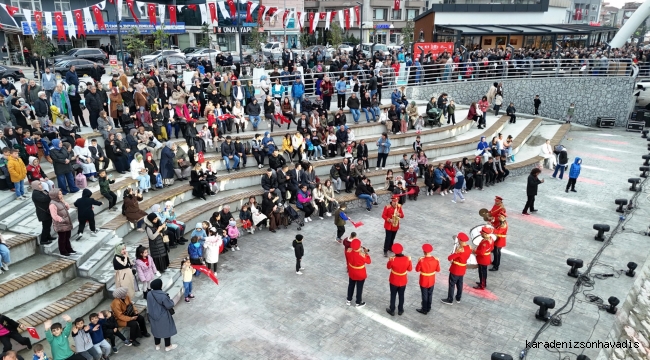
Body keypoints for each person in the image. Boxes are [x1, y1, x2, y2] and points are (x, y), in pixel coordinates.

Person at [146, 279, 177, 352]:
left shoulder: (149, 293)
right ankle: (168, 346)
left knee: (156, 330)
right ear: (160, 286)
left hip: (152, 315)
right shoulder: (163, 296)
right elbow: (170, 305)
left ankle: (157, 345)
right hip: (163, 316)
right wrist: (171, 300)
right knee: (166, 330)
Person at [441, 232, 471, 305]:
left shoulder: (460, 250)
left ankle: (450, 299)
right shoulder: (469, 247)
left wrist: (454, 253)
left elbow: (449, 258)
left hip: (455, 269)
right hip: (462, 268)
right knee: (460, 284)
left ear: (460, 240)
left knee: (452, 284)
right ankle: (458, 298)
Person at [385, 243, 412, 316]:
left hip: (394, 280)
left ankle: (392, 309)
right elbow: (409, 269)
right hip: (403, 280)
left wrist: (390, 260)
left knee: (393, 295)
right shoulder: (407, 259)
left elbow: (388, 267)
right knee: (401, 295)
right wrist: (409, 261)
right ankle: (400, 310)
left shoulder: (393, 259)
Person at [49, 188, 75, 256]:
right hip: (60, 224)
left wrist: (64, 201)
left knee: (67, 237)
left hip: (66, 222)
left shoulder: (60, 201)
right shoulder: (52, 204)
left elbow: (68, 208)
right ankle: (63, 251)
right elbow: (54, 215)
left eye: (61, 193)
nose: (61, 195)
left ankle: (69, 249)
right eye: (59, 194)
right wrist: (61, 220)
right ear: (55, 195)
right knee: (62, 238)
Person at [415, 244, 440, 315]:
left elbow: (417, 269)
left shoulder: (422, 260)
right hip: (431, 279)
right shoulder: (435, 260)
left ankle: (424, 309)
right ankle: (429, 307)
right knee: (430, 294)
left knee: (424, 295)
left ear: (424, 252)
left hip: (424, 280)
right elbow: (438, 270)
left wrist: (418, 261)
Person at [31, 180, 55, 245]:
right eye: (39, 184)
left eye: (40, 184)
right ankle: (43, 240)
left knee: (48, 225)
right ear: (35, 186)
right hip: (43, 212)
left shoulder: (41, 191)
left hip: (47, 211)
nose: (41, 185)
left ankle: (48, 236)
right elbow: (44, 199)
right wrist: (50, 195)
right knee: (46, 226)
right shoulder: (36, 193)